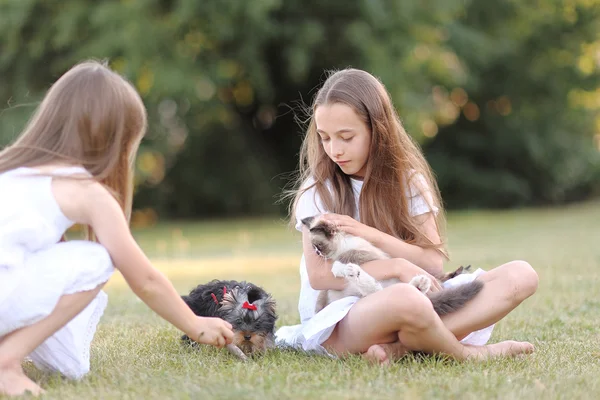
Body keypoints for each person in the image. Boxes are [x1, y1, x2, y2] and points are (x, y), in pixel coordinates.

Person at [0, 60, 234, 397]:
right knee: (96, 260)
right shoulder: (87, 192)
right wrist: (194, 324)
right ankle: (6, 362)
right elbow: (146, 280)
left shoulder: (13, 166)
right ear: (115, 143)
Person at [275, 68, 539, 365]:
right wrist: (396, 267)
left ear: (377, 130)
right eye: (325, 138)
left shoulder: (407, 181)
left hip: (411, 299)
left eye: (346, 137)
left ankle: (401, 348)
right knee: (407, 299)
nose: (334, 150)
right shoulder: (318, 190)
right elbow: (321, 277)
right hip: (347, 316)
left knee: (521, 275)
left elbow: (432, 263)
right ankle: (467, 354)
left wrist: (370, 234)